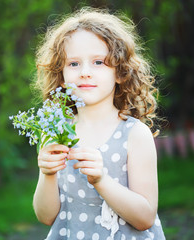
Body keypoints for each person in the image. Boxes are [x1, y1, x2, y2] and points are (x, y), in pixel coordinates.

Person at [32, 7, 165, 240]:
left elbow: (145, 218)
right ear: (61, 76)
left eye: (98, 62)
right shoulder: (56, 132)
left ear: (121, 72)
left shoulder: (134, 134)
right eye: (73, 64)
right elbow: (46, 216)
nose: (84, 72)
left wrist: (102, 181)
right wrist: (47, 173)